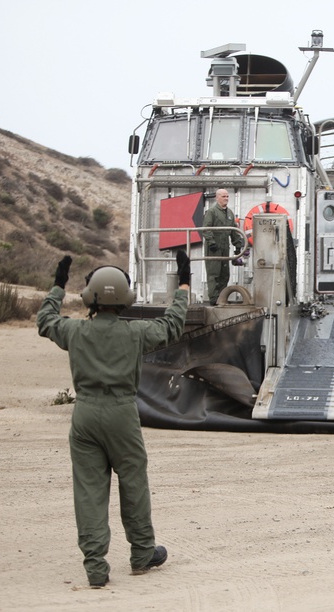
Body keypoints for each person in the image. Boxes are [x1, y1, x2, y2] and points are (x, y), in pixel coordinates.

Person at [37, 252, 191, 588]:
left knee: (89, 491)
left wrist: (58, 286)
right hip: (122, 414)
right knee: (133, 481)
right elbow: (173, 325)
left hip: (85, 415)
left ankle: (95, 567)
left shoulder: (75, 331)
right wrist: (183, 285)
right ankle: (141, 553)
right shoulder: (136, 332)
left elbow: (45, 321)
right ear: (125, 298)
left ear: (90, 297)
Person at [200, 188, 244, 305]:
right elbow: (206, 228)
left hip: (225, 248)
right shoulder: (212, 212)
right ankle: (214, 299)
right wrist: (211, 242)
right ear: (217, 197)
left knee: (225, 274)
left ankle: (221, 297)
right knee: (214, 273)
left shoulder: (229, 213)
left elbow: (233, 231)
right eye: (223, 196)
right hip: (213, 248)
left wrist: (238, 245)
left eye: (227, 196)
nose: (226, 199)